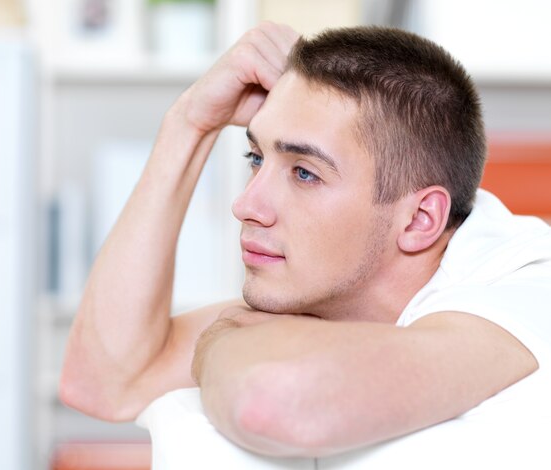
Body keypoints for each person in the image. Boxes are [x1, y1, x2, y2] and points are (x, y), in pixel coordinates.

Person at [59, 23, 551, 468]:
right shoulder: (336, 288)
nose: (247, 205)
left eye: (304, 173)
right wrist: (189, 123)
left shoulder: (525, 288)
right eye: (256, 158)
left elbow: (270, 403)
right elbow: (103, 382)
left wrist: (222, 336)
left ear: (421, 220)